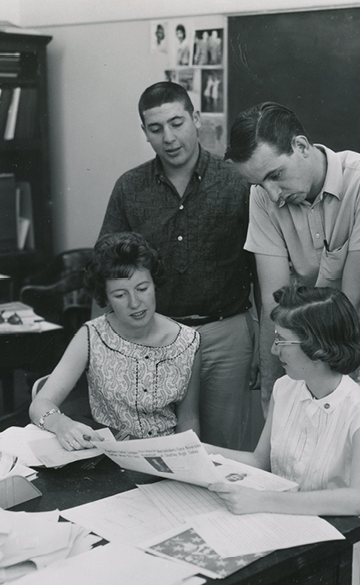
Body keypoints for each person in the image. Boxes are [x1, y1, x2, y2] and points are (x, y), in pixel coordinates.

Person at [206, 285, 360, 585]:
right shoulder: (285, 388)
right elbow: (258, 461)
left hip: (338, 554)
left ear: (317, 347)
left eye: (281, 340)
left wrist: (260, 501)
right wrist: (201, 451)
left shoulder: (359, 409)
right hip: (287, 532)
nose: (273, 350)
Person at [226, 102, 360, 419]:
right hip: (309, 362)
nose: (272, 195)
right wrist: (271, 395)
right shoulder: (263, 198)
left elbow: (347, 306)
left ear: (301, 146)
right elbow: (274, 309)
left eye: (276, 175)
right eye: (260, 184)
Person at [99, 82, 255, 451]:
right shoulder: (130, 187)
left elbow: (263, 268)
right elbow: (107, 268)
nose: (169, 137)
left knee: (225, 452)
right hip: (153, 338)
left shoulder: (237, 182)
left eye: (176, 123)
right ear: (145, 134)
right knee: (156, 451)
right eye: (156, 129)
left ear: (196, 120)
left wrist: (264, 347)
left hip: (225, 337)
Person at [29, 232, 201, 451]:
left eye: (142, 289)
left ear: (154, 284)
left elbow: (189, 420)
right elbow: (40, 404)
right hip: (110, 459)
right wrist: (63, 424)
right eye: (120, 295)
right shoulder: (92, 335)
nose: (135, 303)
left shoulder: (188, 341)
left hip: (167, 459)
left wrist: (189, 461)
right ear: (106, 297)